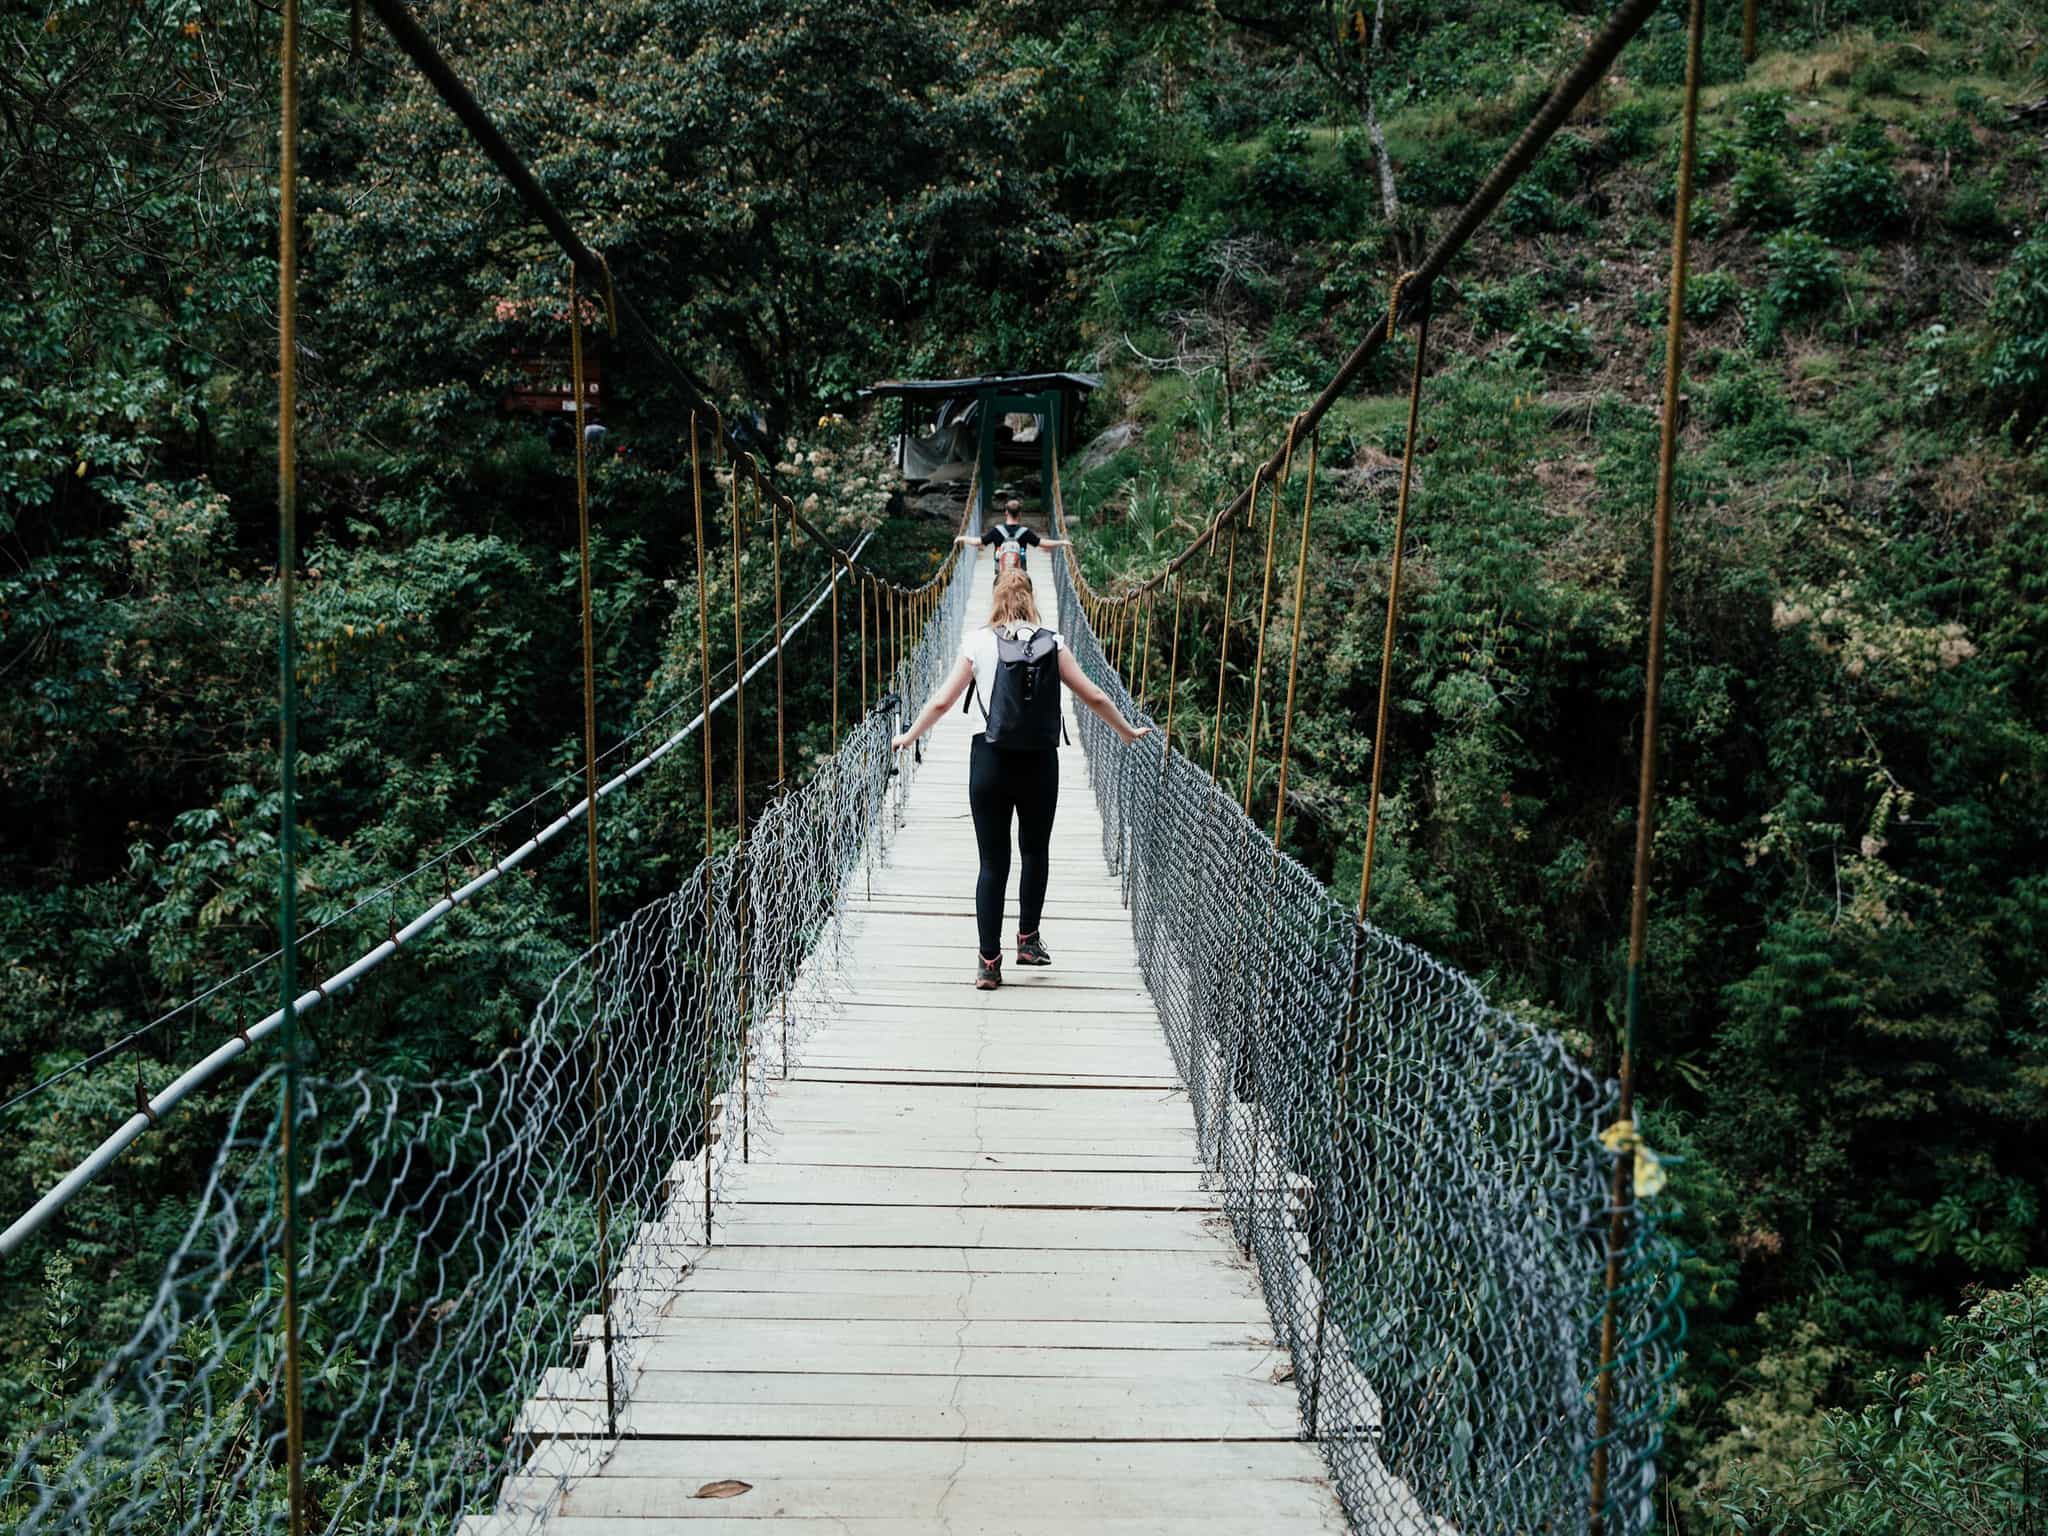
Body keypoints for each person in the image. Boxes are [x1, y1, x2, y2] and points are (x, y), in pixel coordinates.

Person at [891, 569, 1149, 990]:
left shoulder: (977, 642)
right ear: (1030, 599)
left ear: (995, 598)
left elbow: (942, 701)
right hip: (1039, 762)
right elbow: (1095, 695)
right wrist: (1125, 730)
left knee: (992, 863)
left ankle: (988, 964)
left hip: (989, 760)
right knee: (1034, 851)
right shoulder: (1052, 642)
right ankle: (1028, 939)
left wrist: (909, 735)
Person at [954, 498, 1070, 574]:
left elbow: (978, 542)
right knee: (1027, 588)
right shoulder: (1025, 532)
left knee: (996, 591)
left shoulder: (997, 530)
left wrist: (963, 538)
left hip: (1002, 573)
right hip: (1020, 573)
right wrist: (1061, 542)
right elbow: (1043, 543)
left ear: (1006, 513)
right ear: (1020, 514)